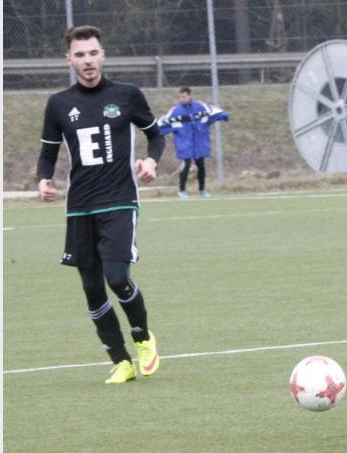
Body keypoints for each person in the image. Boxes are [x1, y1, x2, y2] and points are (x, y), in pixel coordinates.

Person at [36, 25, 163, 384]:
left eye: (93, 53)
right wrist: (44, 179)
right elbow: (47, 154)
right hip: (80, 206)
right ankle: (120, 361)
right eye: (80, 55)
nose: (88, 60)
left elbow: (155, 135)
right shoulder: (58, 104)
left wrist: (151, 161)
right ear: (69, 60)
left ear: (103, 55)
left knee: (117, 278)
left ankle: (143, 338)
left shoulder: (127, 95)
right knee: (92, 289)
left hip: (120, 200)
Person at [158, 86, 229, 199]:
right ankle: (182, 191)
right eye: (180, 97)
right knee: (186, 164)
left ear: (189, 95)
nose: (182, 99)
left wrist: (223, 115)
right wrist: (154, 131)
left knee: (201, 165)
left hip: (199, 142)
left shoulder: (200, 107)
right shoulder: (176, 111)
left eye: (184, 97)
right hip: (184, 143)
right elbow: (162, 122)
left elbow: (214, 112)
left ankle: (202, 190)